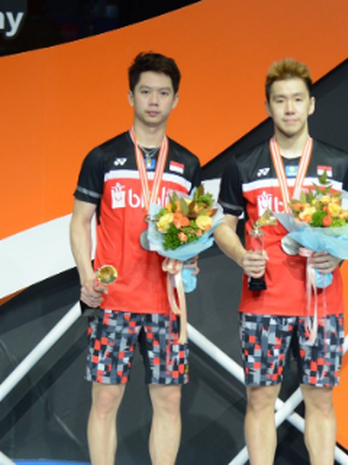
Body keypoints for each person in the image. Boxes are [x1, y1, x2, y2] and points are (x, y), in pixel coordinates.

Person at [214, 58, 348, 465]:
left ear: (311, 104)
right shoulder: (243, 166)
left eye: (297, 99)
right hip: (264, 301)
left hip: (322, 301)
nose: (289, 108)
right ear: (268, 107)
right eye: (280, 100)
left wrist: (336, 254)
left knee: (321, 399)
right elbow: (222, 225)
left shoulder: (339, 164)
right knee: (260, 398)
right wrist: (242, 255)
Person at [69, 52, 201, 465]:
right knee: (105, 398)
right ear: (131, 95)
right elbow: (79, 223)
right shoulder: (102, 158)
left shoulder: (187, 164)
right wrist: (87, 276)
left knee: (170, 399)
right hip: (114, 299)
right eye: (146, 91)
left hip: (166, 301)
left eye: (163, 93)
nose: (154, 101)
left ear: (176, 100)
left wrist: (190, 261)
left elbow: (193, 232)